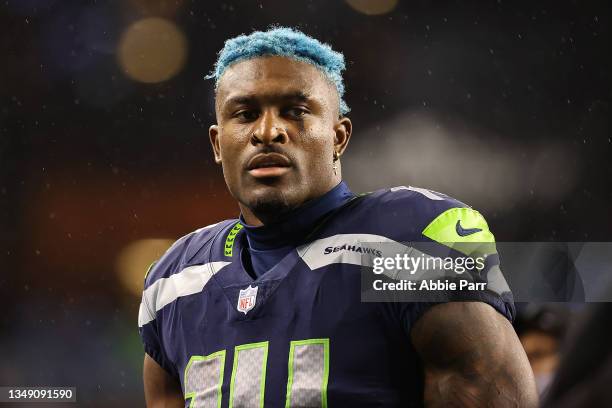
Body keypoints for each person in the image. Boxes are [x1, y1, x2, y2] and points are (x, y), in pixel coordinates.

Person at [138, 27, 536, 407]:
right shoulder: (174, 281)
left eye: (294, 111)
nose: (268, 131)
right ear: (217, 144)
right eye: (244, 114)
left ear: (338, 137)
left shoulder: (406, 238)